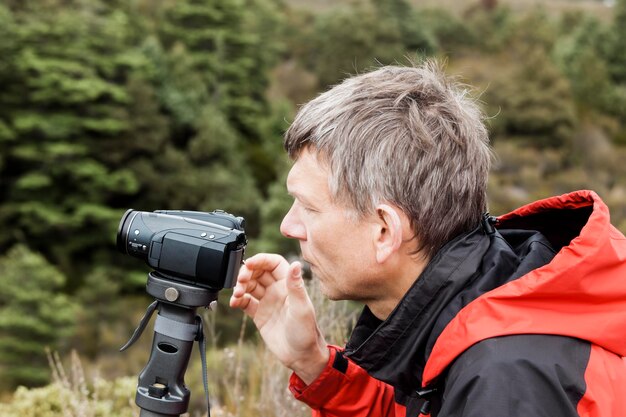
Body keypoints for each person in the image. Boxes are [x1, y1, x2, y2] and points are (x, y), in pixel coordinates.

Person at [229, 61, 626, 417]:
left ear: (385, 231)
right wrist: (315, 365)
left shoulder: (506, 380)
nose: (288, 226)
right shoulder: (485, 301)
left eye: (308, 207)